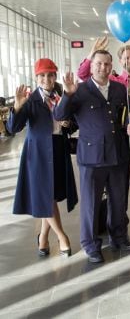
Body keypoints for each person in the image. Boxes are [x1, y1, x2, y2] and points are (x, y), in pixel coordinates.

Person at [55, 50, 130, 264]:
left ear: (112, 66)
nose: (103, 68)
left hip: (118, 154)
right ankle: (90, 245)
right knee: (90, 204)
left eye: (107, 64)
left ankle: (118, 236)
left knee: (119, 201)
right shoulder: (79, 90)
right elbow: (60, 115)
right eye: (99, 64)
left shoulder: (119, 88)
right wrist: (68, 94)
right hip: (91, 157)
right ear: (91, 67)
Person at [77, 38, 130, 238]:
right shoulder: (113, 82)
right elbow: (83, 75)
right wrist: (92, 52)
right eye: (126, 57)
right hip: (113, 142)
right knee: (111, 189)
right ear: (120, 61)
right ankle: (112, 229)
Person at [8, 58, 77, 257]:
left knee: (52, 195)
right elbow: (13, 128)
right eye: (42, 75)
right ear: (36, 78)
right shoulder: (30, 100)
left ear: (55, 76)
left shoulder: (60, 95)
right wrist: (17, 107)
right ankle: (62, 237)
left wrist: (67, 124)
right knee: (46, 196)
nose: (46, 79)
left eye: (50, 75)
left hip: (57, 148)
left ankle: (43, 238)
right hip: (37, 153)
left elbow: (72, 123)